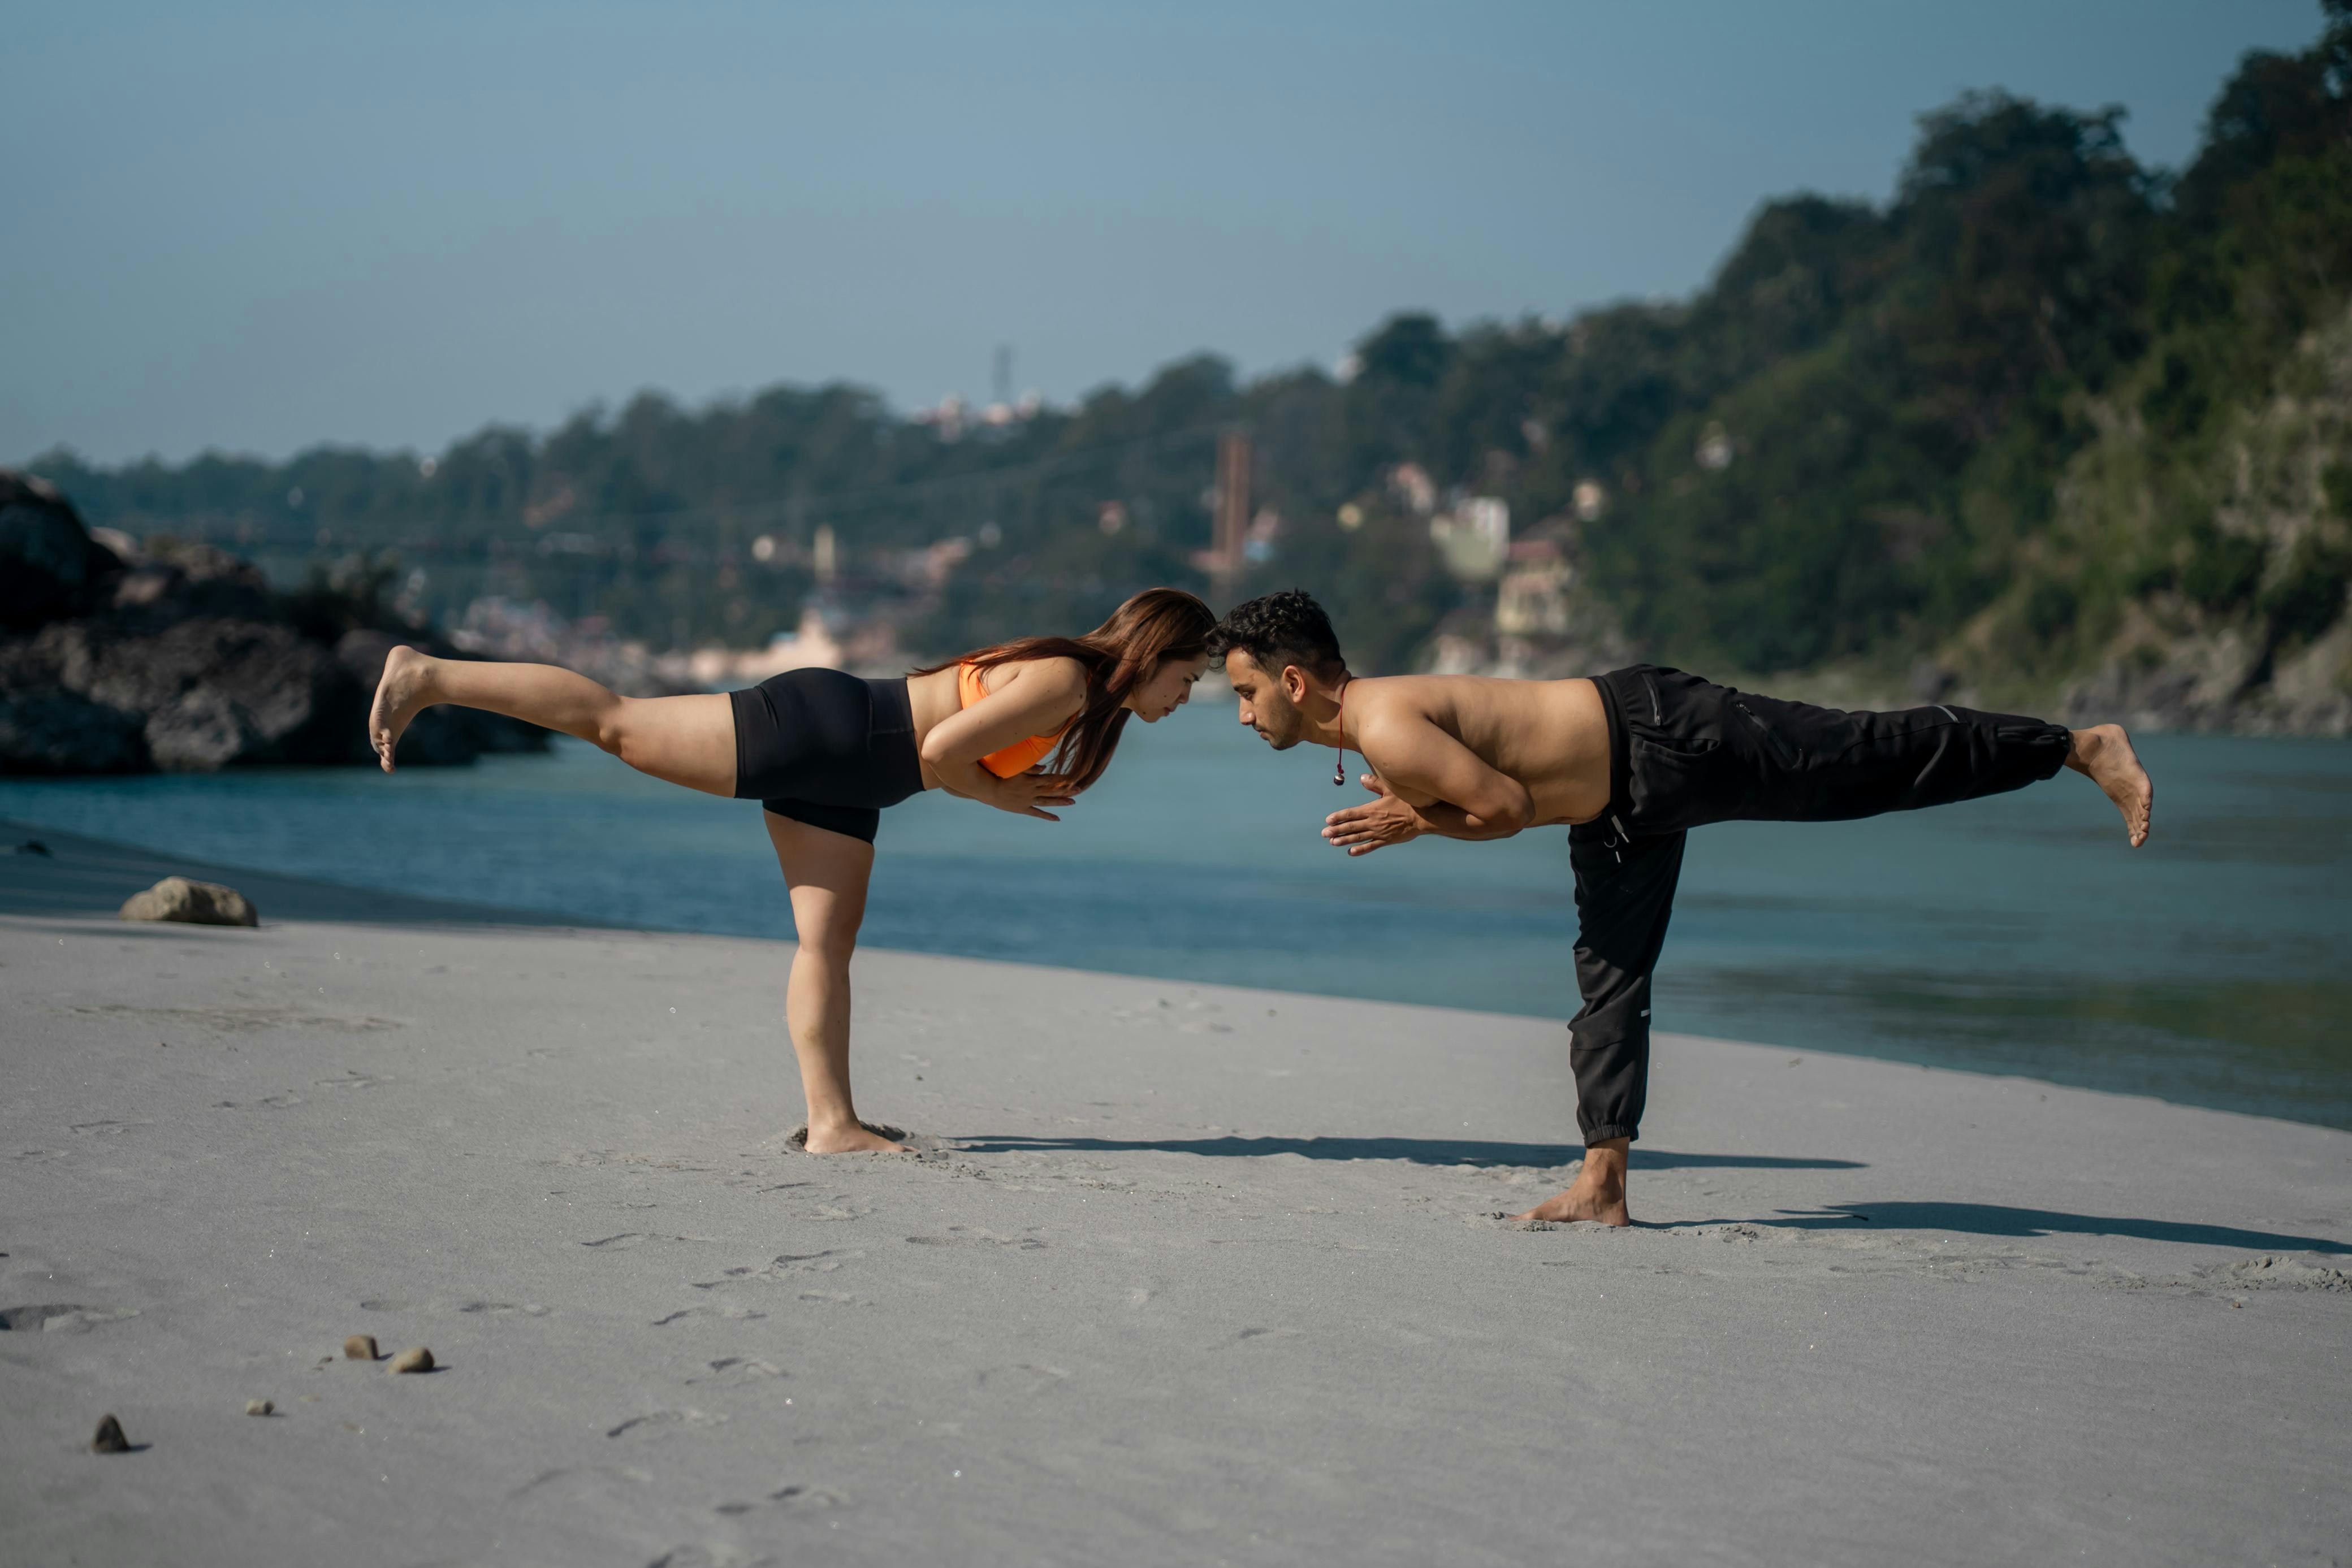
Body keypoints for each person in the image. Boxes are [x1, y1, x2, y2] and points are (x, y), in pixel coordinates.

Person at [1207, 590, 2152, 1226]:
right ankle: (1603, 1181)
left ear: (1294, 681)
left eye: (1247, 692)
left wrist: (1417, 820)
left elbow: (1508, 807)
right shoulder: (1380, 723)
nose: (1244, 713)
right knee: (1609, 977)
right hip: (1617, 808)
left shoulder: (1384, 724)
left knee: (1856, 760)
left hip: (1665, 737)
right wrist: (1422, 811)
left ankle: (2073, 746)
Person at [368, 587, 1217, 1153]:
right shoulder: (1068, 681)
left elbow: (939, 752)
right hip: (831, 731)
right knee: (616, 723)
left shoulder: (1079, 693)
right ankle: (429, 673)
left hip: (856, 773)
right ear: (1153, 651)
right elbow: (941, 749)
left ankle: (831, 1123)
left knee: (825, 947)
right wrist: (998, 795)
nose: (1185, 696)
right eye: (1187, 677)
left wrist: (990, 786)